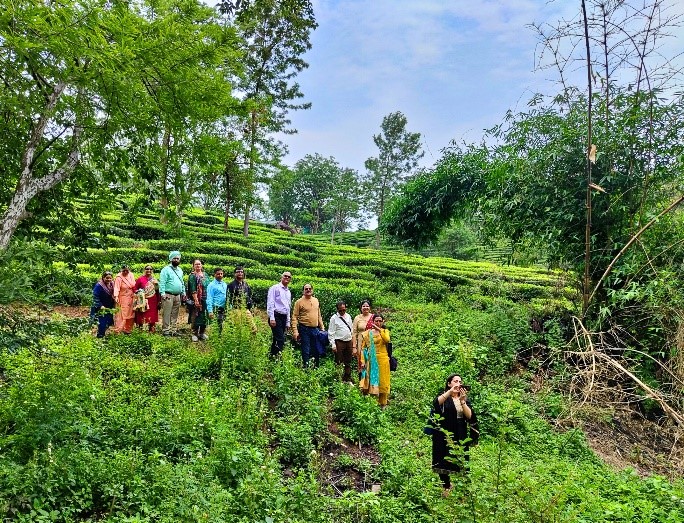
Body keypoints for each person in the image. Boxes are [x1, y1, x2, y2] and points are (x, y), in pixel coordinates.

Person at [431, 374, 479, 497]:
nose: (458, 383)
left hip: (460, 431)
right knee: (443, 457)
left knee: (462, 458)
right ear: (449, 384)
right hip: (444, 432)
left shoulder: (464, 399)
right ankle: (446, 486)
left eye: (460, 381)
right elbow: (436, 403)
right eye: (455, 381)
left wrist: (463, 401)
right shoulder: (444, 396)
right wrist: (449, 392)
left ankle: (464, 489)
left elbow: (470, 416)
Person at [359, 313, 391, 407]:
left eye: (380, 321)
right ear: (373, 321)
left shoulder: (385, 331)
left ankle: (382, 403)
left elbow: (387, 340)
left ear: (383, 322)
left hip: (383, 360)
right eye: (376, 320)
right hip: (371, 360)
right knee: (371, 381)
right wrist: (363, 361)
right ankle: (372, 403)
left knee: (383, 381)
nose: (378, 322)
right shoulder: (368, 333)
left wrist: (379, 330)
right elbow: (364, 348)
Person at [292, 283, 325, 368]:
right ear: (303, 291)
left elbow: (319, 315)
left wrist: (322, 327)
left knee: (316, 349)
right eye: (306, 289)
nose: (308, 290)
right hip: (304, 329)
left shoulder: (316, 300)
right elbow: (294, 316)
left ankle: (316, 367)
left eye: (310, 288)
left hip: (315, 329)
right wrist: (295, 331)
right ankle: (306, 367)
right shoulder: (298, 302)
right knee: (305, 349)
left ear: (312, 290)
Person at [266, 271, 292, 358]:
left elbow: (288, 307)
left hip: (284, 317)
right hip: (276, 316)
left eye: (289, 277)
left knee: (276, 338)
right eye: (285, 276)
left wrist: (288, 322)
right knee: (280, 339)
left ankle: (272, 357)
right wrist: (272, 318)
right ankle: (278, 358)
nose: (287, 278)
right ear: (281, 277)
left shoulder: (288, 292)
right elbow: (270, 302)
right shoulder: (275, 288)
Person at [159, 250, 185, 336]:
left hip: (177, 295)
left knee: (175, 313)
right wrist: (162, 293)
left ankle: (173, 330)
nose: (176, 260)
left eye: (178, 258)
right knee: (167, 313)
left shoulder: (180, 270)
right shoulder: (165, 270)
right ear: (171, 259)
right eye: (175, 258)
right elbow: (162, 282)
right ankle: (166, 330)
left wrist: (183, 292)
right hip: (168, 294)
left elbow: (182, 282)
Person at [328, 300, 355, 382]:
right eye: (340, 310)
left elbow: (351, 328)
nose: (342, 312)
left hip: (348, 341)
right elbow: (331, 332)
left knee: (348, 361)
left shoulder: (348, 316)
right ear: (337, 310)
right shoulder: (334, 318)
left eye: (344, 310)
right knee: (339, 360)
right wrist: (333, 344)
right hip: (339, 341)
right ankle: (339, 379)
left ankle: (347, 378)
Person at [227, 265, 257, 333]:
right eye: (238, 272)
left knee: (253, 329)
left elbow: (249, 297)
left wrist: (251, 308)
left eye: (241, 272)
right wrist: (230, 311)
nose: (240, 273)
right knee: (238, 329)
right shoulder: (231, 285)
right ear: (235, 274)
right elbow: (229, 298)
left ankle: (250, 342)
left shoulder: (245, 284)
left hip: (246, 309)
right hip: (236, 310)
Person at [187, 259, 210, 342]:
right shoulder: (192, 276)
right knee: (195, 316)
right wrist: (196, 300)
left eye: (199, 264)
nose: (198, 266)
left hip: (205, 299)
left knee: (204, 316)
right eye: (196, 264)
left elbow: (209, 286)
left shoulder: (205, 275)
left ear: (201, 265)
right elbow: (193, 289)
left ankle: (202, 333)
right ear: (193, 266)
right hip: (197, 299)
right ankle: (194, 333)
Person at [134, 265, 160, 333]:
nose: (149, 270)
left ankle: (152, 329)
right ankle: (140, 329)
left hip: (153, 300)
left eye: (150, 269)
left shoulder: (155, 280)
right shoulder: (140, 279)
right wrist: (138, 292)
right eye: (147, 269)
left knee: (152, 315)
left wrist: (159, 301)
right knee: (141, 314)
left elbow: (157, 291)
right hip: (143, 300)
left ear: (152, 270)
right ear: (144, 270)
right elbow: (135, 288)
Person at [91, 271, 115, 338]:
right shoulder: (99, 285)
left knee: (109, 321)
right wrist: (100, 305)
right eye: (107, 278)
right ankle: (100, 335)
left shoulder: (112, 284)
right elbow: (95, 296)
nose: (108, 279)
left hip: (109, 306)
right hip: (102, 307)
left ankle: (103, 333)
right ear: (103, 277)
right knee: (102, 321)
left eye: (110, 278)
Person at [113, 264, 136, 334]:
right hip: (123, 297)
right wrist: (116, 296)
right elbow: (116, 287)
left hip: (131, 297)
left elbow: (134, 285)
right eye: (124, 271)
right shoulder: (119, 277)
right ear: (121, 270)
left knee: (131, 313)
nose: (126, 272)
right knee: (123, 314)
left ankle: (128, 329)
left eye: (127, 271)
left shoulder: (131, 275)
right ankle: (118, 330)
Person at [206, 267, 228, 334]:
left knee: (223, 323)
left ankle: (220, 337)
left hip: (224, 307)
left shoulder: (224, 284)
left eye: (221, 274)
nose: (220, 275)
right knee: (218, 324)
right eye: (218, 274)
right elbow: (209, 298)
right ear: (214, 275)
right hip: (216, 307)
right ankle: (217, 338)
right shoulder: (211, 285)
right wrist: (210, 311)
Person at [353, 300, 373, 369]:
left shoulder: (373, 317)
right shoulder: (357, 318)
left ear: (370, 308)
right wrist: (354, 347)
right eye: (363, 306)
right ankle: (361, 378)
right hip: (360, 343)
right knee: (361, 361)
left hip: (371, 343)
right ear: (361, 308)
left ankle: (370, 379)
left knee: (371, 361)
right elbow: (354, 333)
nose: (365, 307)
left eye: (367, 306)